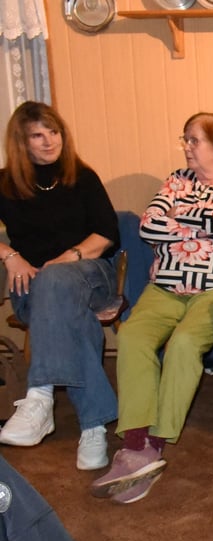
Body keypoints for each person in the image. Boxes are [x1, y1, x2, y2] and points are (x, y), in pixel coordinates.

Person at [89, 112, 213, 504]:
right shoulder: (176, 179)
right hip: (167, 285)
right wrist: (206, 220)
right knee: (133, 335)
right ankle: (134, 438)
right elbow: (147, 226)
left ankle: (153, 445)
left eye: (194, 140)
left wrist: (181, 217)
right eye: (185, 139)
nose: (186, 146)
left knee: (185, 344)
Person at [0, 101, 120, 471]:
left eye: (54, 132)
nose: (49, 141)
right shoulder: (4, 182)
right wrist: (9, 255)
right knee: (75, 320)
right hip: (32, 285)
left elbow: (107, 235)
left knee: (54, 280)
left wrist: (68, 256)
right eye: (38, 134)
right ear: (22, 141)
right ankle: (94, 426)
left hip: (88, 274)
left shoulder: (82, 177)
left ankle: (39, 397)